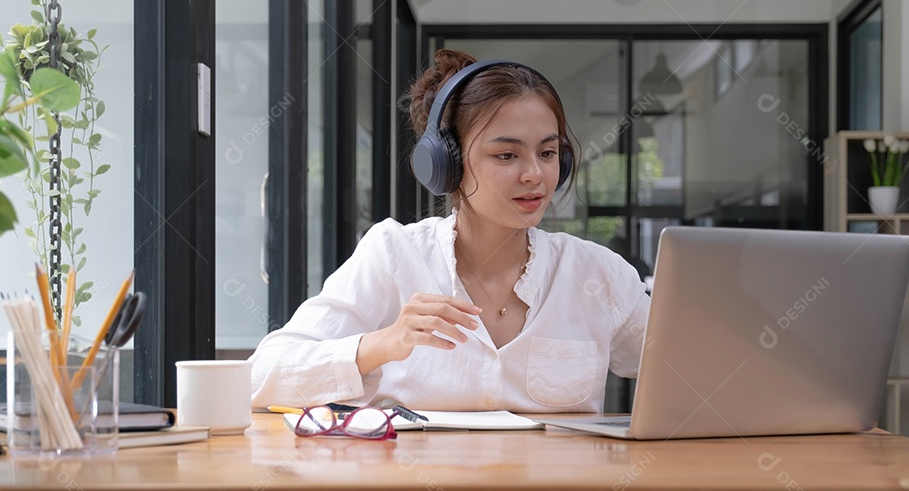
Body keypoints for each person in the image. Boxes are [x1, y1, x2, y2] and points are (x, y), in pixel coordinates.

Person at [249, 49, 650, 413]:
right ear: (447, 165)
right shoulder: (394, 255)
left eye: (547, 153)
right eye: (506, 155)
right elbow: (259, 377)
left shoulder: (597, 273)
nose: (535, 174)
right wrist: (385, 343)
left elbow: (691, 374)